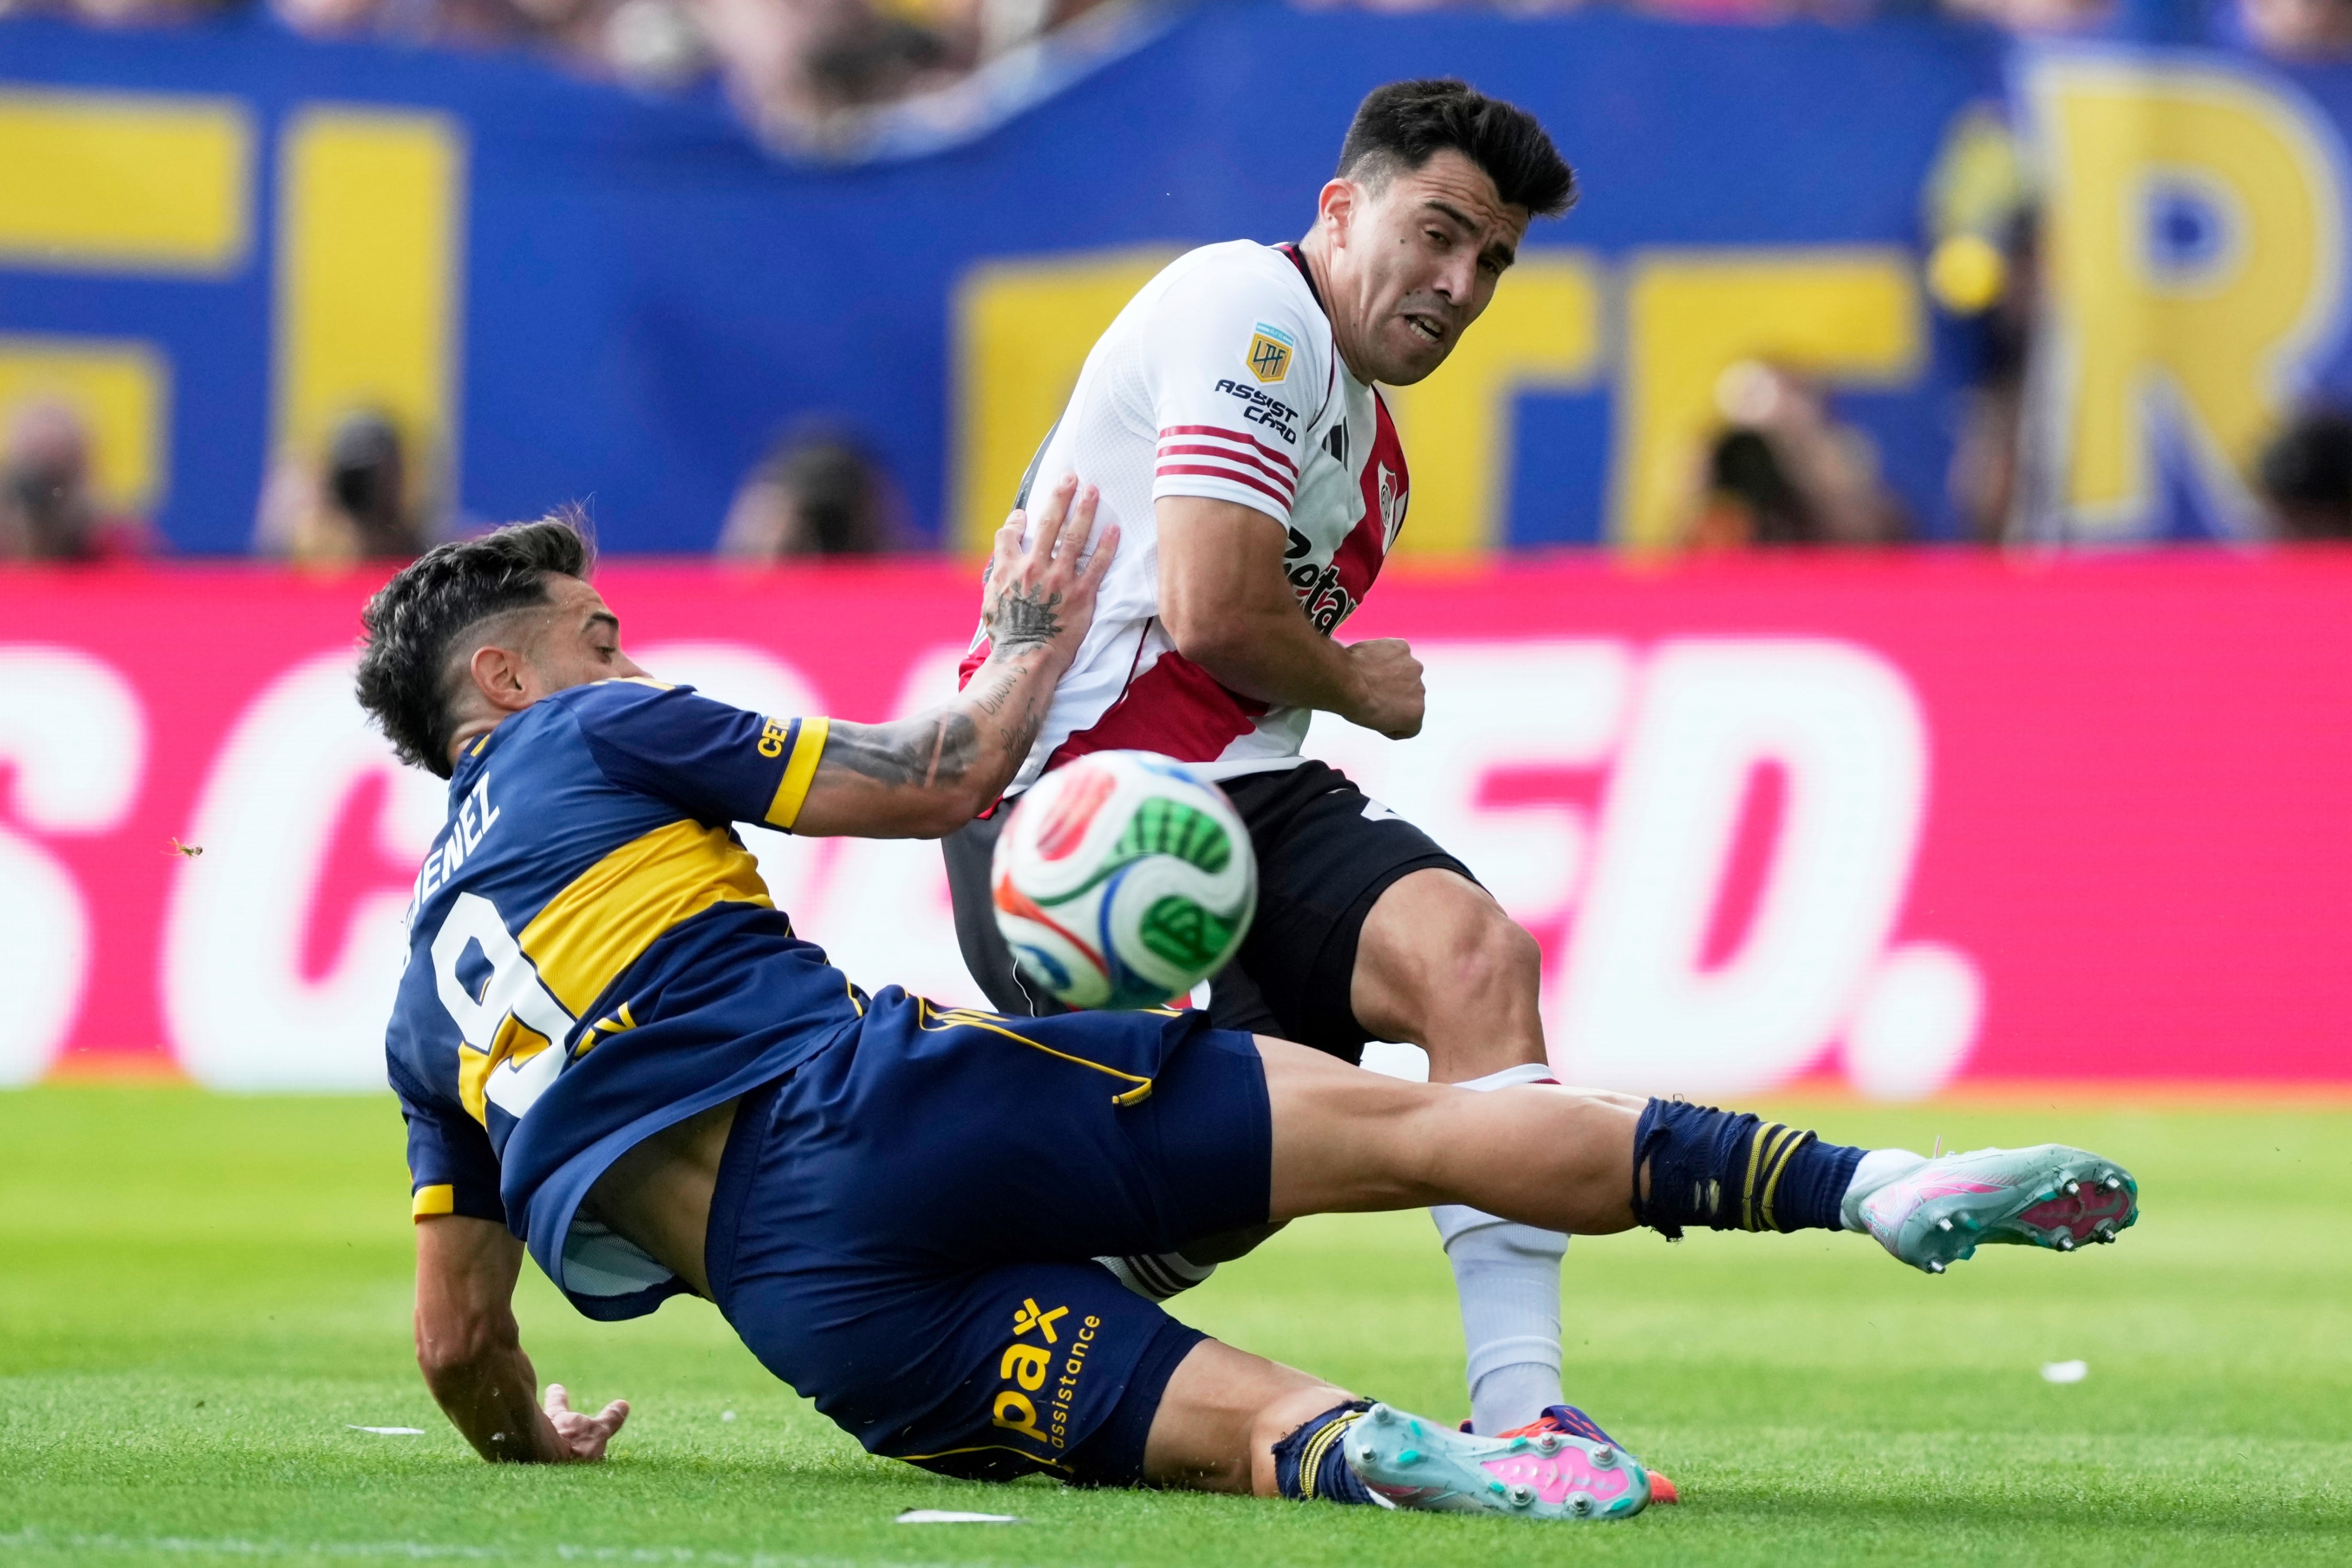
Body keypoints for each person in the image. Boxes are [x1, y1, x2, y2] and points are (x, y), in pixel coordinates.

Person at [362, 501, 2139, 1520]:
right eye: (600, 634)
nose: (629, 655)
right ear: (505, 680)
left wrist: (539, 1437)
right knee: (1426, 1128)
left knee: (1260, 1429)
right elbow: (940, 777)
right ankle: (1871, 1188)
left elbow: (458, 1341)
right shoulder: (588, 734)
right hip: (882, 1102)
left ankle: (1417, 1460)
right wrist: (1036, 626)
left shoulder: (415, 1023)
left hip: (813, 1314)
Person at [938, 78, 1587, 1442]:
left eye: (1493, 263)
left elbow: (1236, 655)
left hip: (1245, 788)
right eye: (1438, 232)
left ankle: (1529, 1421)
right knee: (1236, 1162)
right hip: (1080, 807)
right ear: (1340, 210)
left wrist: (1325, 690)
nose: (1461, 285)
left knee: (1475, 961)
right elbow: (1213, 607)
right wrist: (1357, 679)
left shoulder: (1380, 461)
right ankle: (968, 1307)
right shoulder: (1249, 304)